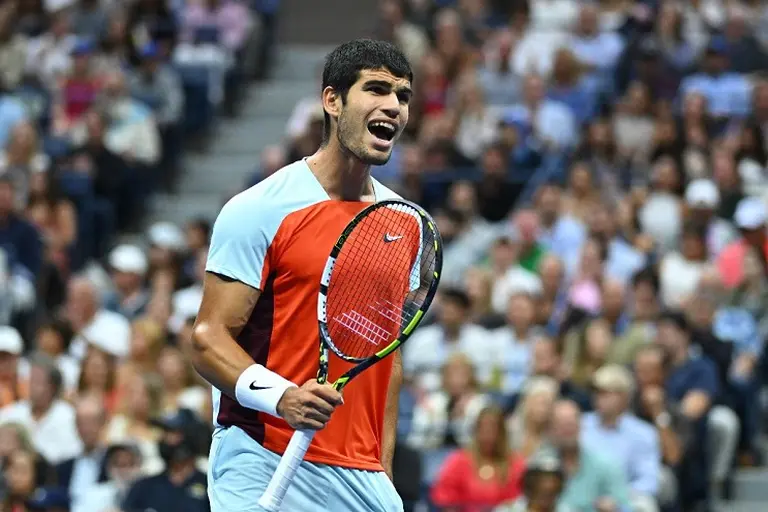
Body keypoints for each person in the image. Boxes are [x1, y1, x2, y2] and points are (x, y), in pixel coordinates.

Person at [187, 39, 414, 512]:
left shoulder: (405, 224)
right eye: (376, 90)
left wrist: (382, 469)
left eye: (403, 96)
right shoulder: (259, 209)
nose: (392, 106)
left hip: (361, 474)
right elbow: (208, 340)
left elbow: (386, 359)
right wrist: (282, 397)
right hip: (262, 456)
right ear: (332, 101)